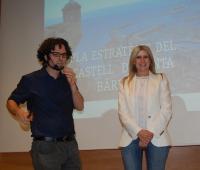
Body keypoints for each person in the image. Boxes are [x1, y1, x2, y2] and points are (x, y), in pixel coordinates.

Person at [7, 37, 84, 170]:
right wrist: (18, 111)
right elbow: (11, 101)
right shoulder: (31, 80)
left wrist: (73, 86)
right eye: (56, 54)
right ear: (46, 56)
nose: (61, 58)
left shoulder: (67, 79)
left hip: (70, 144)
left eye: (64, 55)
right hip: (45, 147)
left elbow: (80, 105)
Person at [118, 45, 172, 170]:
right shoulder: (124, 82)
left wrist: (150, 133)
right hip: (130, 136)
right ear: (133, 61)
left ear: (150, 59)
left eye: (145, 57)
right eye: (138, 57)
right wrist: (139, 132)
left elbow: (166, 110)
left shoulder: (161, 79)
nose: (142, 61)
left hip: (157, 136)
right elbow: (123, 113)